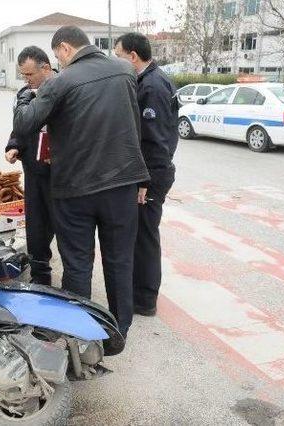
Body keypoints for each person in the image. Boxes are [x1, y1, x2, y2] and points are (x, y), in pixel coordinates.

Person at [13, 26, 149, 338]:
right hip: (122, 185)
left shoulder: (62, 80)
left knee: (77, 264)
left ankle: (77, 334)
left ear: (63, 49)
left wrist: (25, 97)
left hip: (76, 190)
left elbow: (25, 123)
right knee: (119, 261)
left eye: (58, 56)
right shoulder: (126, 71)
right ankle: (119, 330)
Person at [115, 33, 179, 317]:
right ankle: (140, 293)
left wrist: (145, 181)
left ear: (132, 56)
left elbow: (154, 141)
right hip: (151, 172)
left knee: (145, 238)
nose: (116, 60)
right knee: (142, 235)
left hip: (151, 175)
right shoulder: (150, 79)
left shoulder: (152, 86)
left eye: (118, 55)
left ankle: (145, 300)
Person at [5, 46, 56, 285]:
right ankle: (40, 275)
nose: (26, 80)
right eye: (23, 75)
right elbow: (20, 127)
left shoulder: (64, 89)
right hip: (33, 170)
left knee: (61, 226)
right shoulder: (25, 94)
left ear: (46, 68)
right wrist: (14, 145)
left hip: (60, 173)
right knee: (36, 226)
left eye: (29, 75)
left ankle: (74, 284)